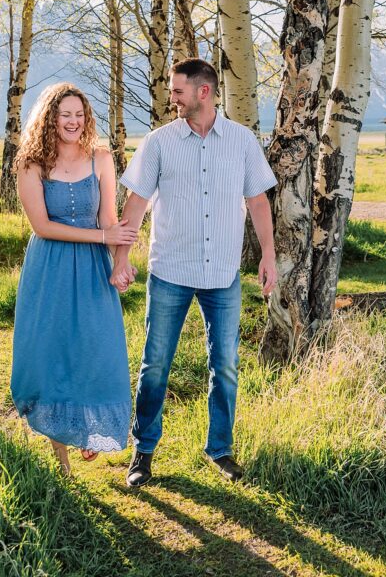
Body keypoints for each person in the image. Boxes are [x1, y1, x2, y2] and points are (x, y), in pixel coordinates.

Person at [115, 58, 278, 488]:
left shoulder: (242, 141)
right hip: (170, 270)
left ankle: (219, 449)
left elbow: (258, 202)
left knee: (224, 366)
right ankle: (143, 451)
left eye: (178, 90)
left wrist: (268, 255)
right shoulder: (159, 143)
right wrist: (121, 258)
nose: (172, 97)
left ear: (203, 92)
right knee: (155, 365)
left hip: (222, 274)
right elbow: (135, 204)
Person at [10, 82, 138, 475]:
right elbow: (42, 226)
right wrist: (102, 237)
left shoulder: (101, 158)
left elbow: (109, 220)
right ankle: (61, 458)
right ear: (50, 118)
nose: (73, 121)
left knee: (96, 348)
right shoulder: (30, 164)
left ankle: (87, 427)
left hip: (92, 269)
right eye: (65, 114)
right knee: (53, 352)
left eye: (79, 115)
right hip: (49, 268)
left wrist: (120, 263)